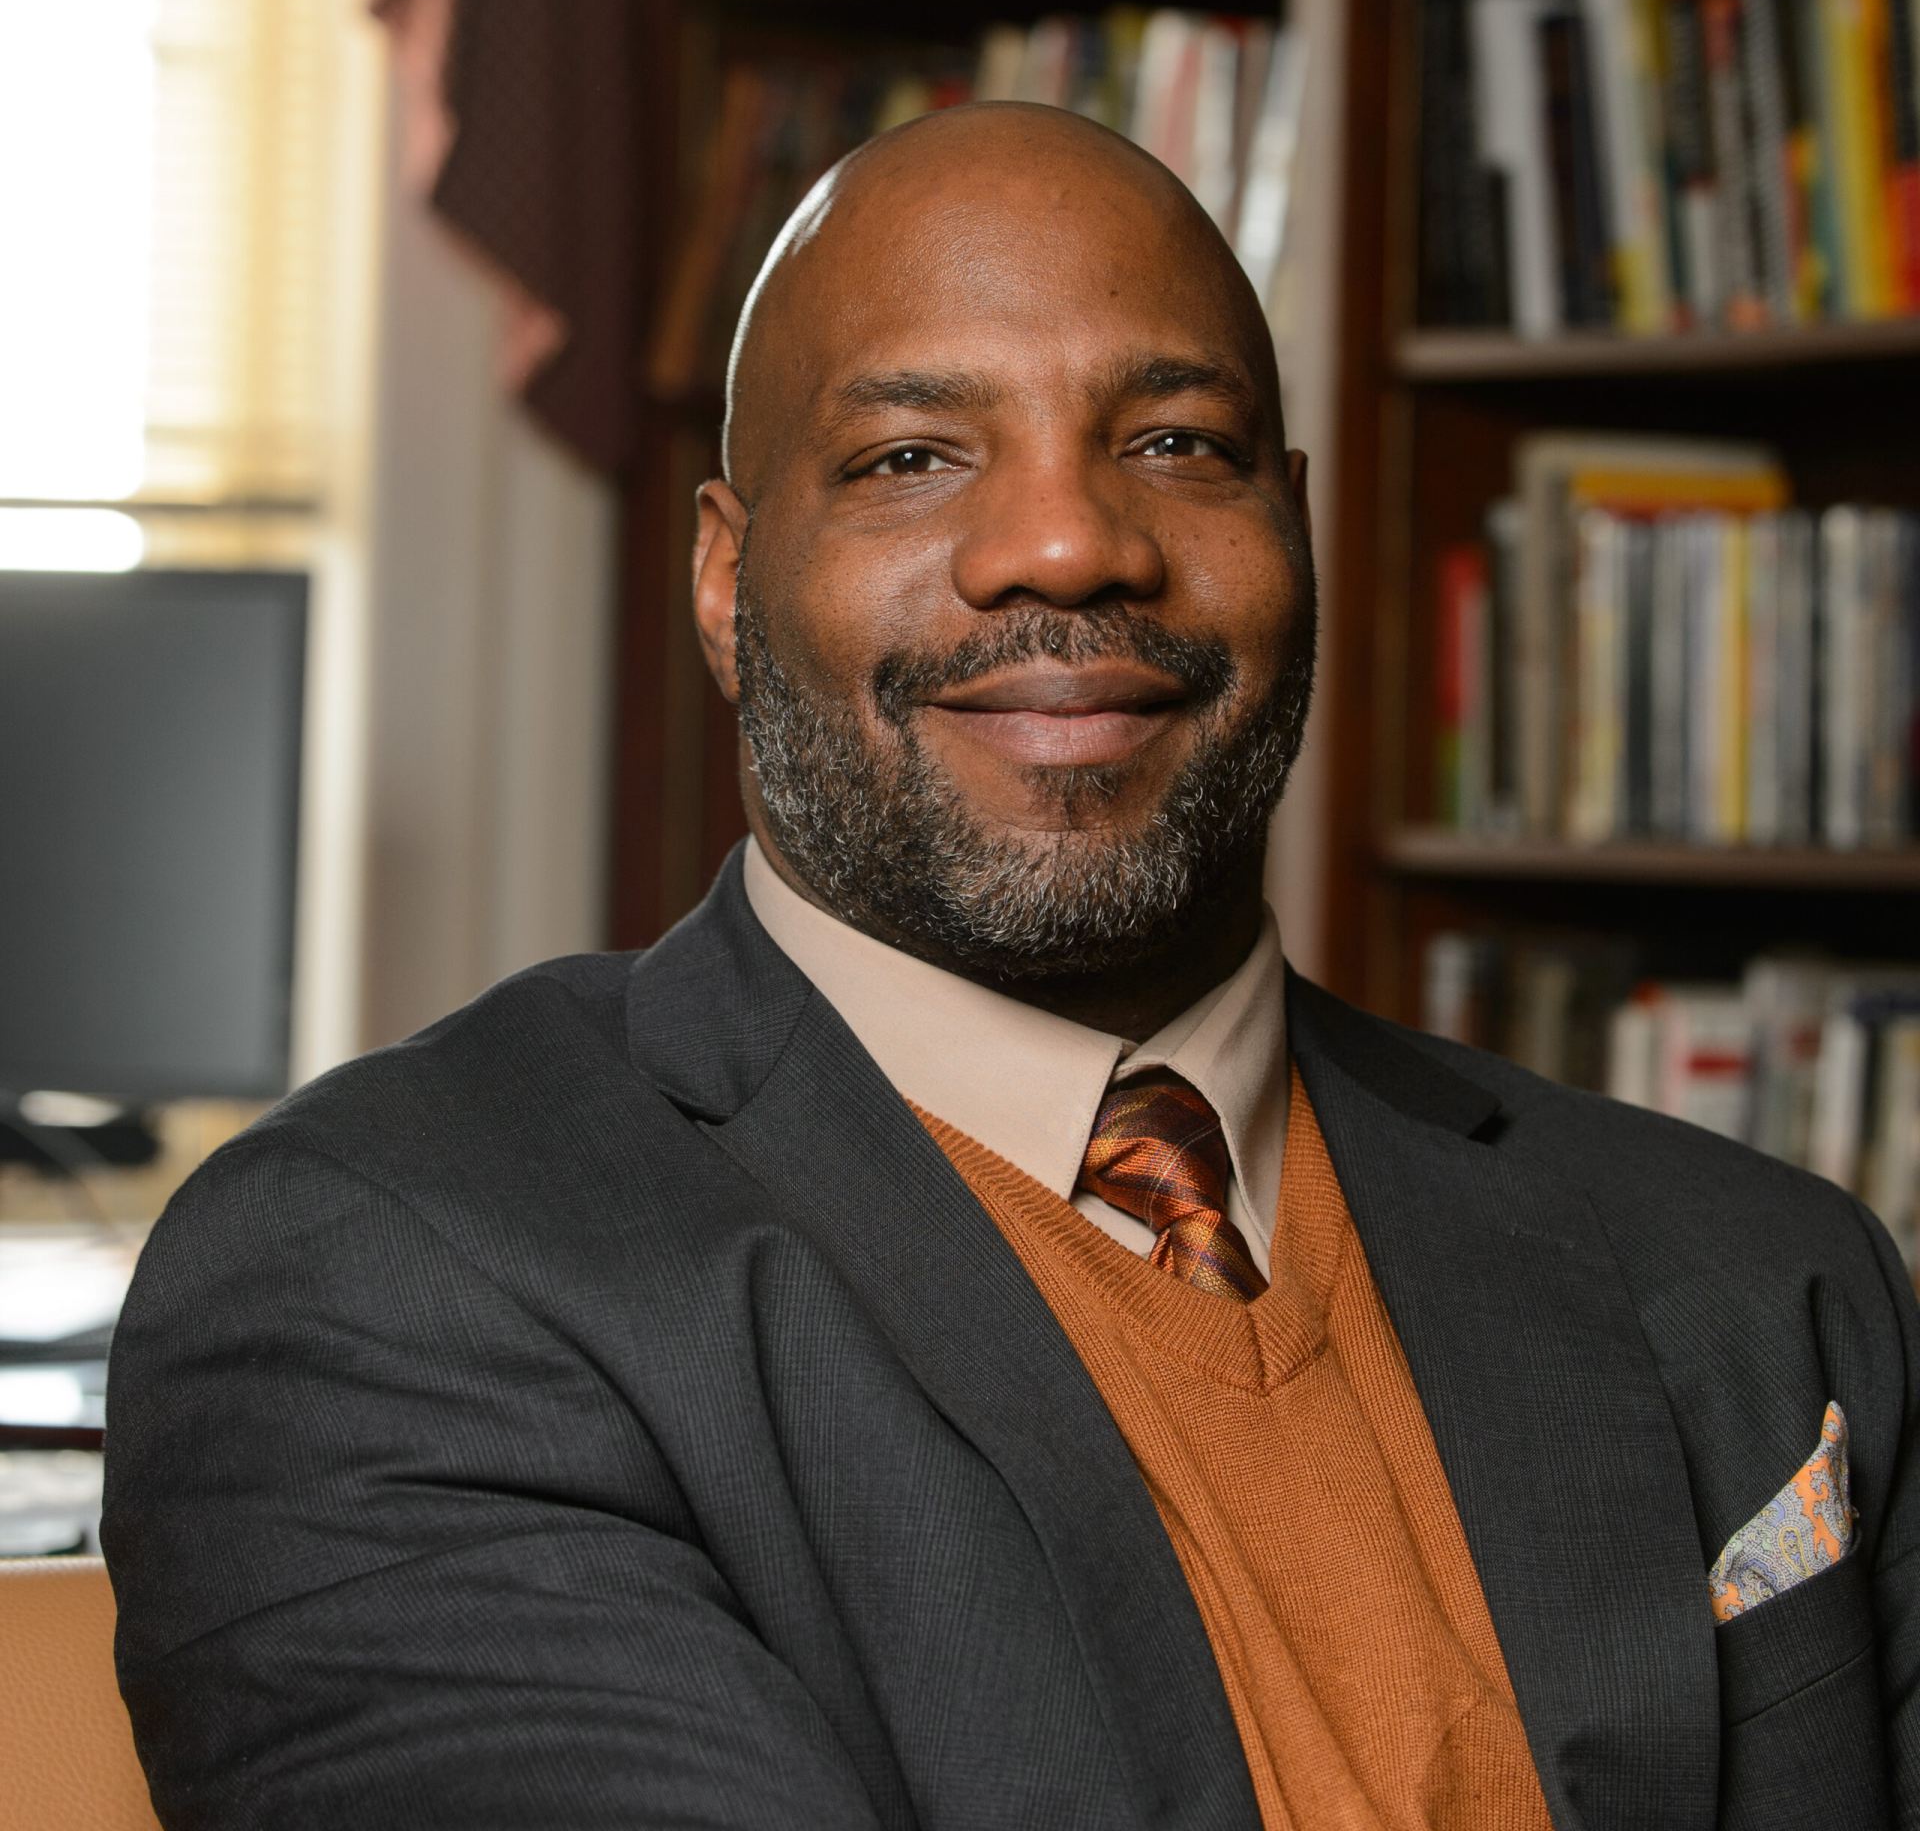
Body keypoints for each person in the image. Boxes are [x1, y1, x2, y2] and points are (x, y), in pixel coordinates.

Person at [104, 104, 1916, 1830]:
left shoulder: (1765, 1282)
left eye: (1175, 444)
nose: (1069, 543)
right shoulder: (386, 1281)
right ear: (729, 582)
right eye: (913, 457)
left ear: (1295, 523)